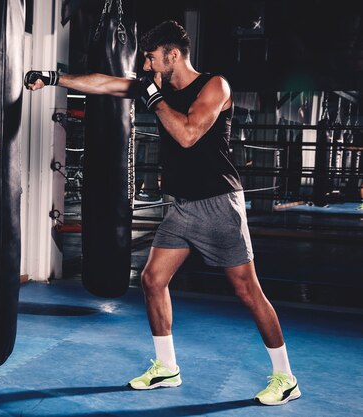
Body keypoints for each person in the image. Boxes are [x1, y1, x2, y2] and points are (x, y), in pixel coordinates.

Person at [25, 20, 300, 406]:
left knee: (247, 290)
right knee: (153, 279)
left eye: (153, 58)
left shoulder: (214, 86)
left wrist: (153, 98)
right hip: (182, 207)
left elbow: (188, 134)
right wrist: (54, 77)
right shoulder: (158, 88)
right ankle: (167, 367)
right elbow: (106, 83)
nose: (149, 66)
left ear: (173, 54)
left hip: (218, 203)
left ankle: (285, 377)